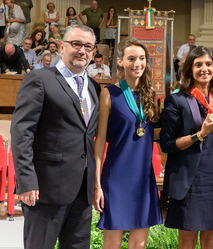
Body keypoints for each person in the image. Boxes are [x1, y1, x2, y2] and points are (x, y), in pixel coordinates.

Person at [11, 24, 101, 249]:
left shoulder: (94, 88)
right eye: (76, 44)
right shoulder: (40, 79)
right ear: (62, 46)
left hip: (82, 193)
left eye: (88, 46)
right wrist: (26, 180)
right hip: (45, 189)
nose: (82, 50)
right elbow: (21, 132)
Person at [160, 46, 213, 249]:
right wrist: (199, 135)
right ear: (189, 69)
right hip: (191, 180)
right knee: (187, 241)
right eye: (198, 64)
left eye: (208, 64)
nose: (204, 69)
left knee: (212, 241)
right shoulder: (177, 100)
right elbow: (166, 144)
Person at [94, 37, 162, 249]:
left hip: (143, 177)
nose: (137, 63)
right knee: (112, 244)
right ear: (121, 62)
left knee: (138, 245)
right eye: (131, 58)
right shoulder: (109, 94)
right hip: (116, 178)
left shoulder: (149, 95)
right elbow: (99, 143)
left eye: (142, 58)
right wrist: (97, 185)